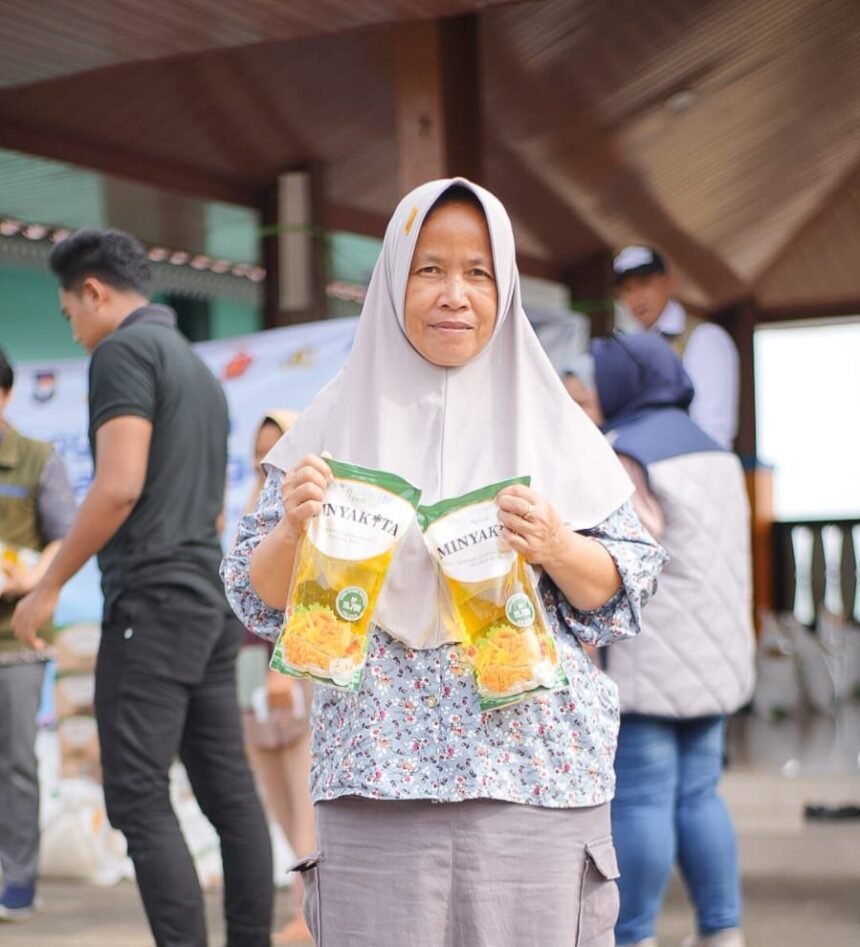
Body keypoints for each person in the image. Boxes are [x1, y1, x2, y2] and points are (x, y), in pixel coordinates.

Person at [222, 178, 667, 947]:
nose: (453, 294)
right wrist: (293, 529)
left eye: (478, 272)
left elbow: (621, 592)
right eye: (429, 269)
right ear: (394, 278)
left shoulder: (555, 425)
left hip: (535, 778)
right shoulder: (329, 421)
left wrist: (557, 545)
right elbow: (255, 599)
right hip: (375, 781)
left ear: (506, 288)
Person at [11, 230, 273, 947]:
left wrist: (48, 584)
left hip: (152, 606)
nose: (73, 326)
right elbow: (216, 509)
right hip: (205, 600)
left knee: (135, 794)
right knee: (228, 794)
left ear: (93, 291)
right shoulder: (198, 368)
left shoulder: (122, 353)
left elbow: (119, 485)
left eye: (69, 311)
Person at [564, 333, 755, 947]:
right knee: (700, 794)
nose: (594, 392)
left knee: (643, 798)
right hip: (717, 654)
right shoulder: (715, 449)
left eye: (600, 379)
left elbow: (621, 557)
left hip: (654, 656)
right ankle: (722, 931)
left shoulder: (628, 451)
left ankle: (636, 934)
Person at [0, 348, 76, 921]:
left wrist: (30, 577)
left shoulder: (35, 459)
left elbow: (64, 538)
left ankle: (17, 881)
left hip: (16, 640)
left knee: (15, 761)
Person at [238, 410, 315, 946]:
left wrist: (278, 667)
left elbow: (296, 598)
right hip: (248, 666)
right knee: (274, 792)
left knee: (303, 794)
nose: (267, 463)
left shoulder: (306, 511)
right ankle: (305, 907)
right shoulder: (253, 506)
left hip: (288, 663)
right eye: (260, 453)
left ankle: (309, 914)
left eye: (276, 451)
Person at [612, 245, 739, 449]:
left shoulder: (704, 339)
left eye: (645, 284)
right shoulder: (623, 345)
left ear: (668, 283)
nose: (636, 297)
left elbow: (713, 430)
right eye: (627, 290)